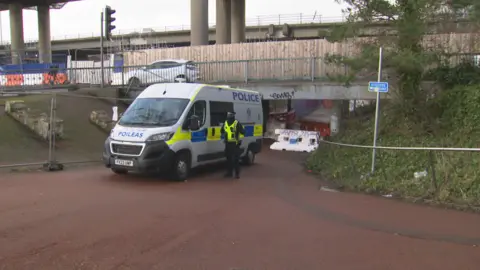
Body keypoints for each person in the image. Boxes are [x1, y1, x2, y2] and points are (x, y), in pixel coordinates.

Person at [220, 112, 244, 179]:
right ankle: (233, 173)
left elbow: (221, 131)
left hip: (231, 144)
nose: (228, 116)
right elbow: (243, 132)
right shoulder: (231, 123)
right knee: (232, 159)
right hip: (232, 144)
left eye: (229, 115)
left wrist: (239, 140)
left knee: (232, 159)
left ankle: (233, 173)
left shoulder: (231, 123)